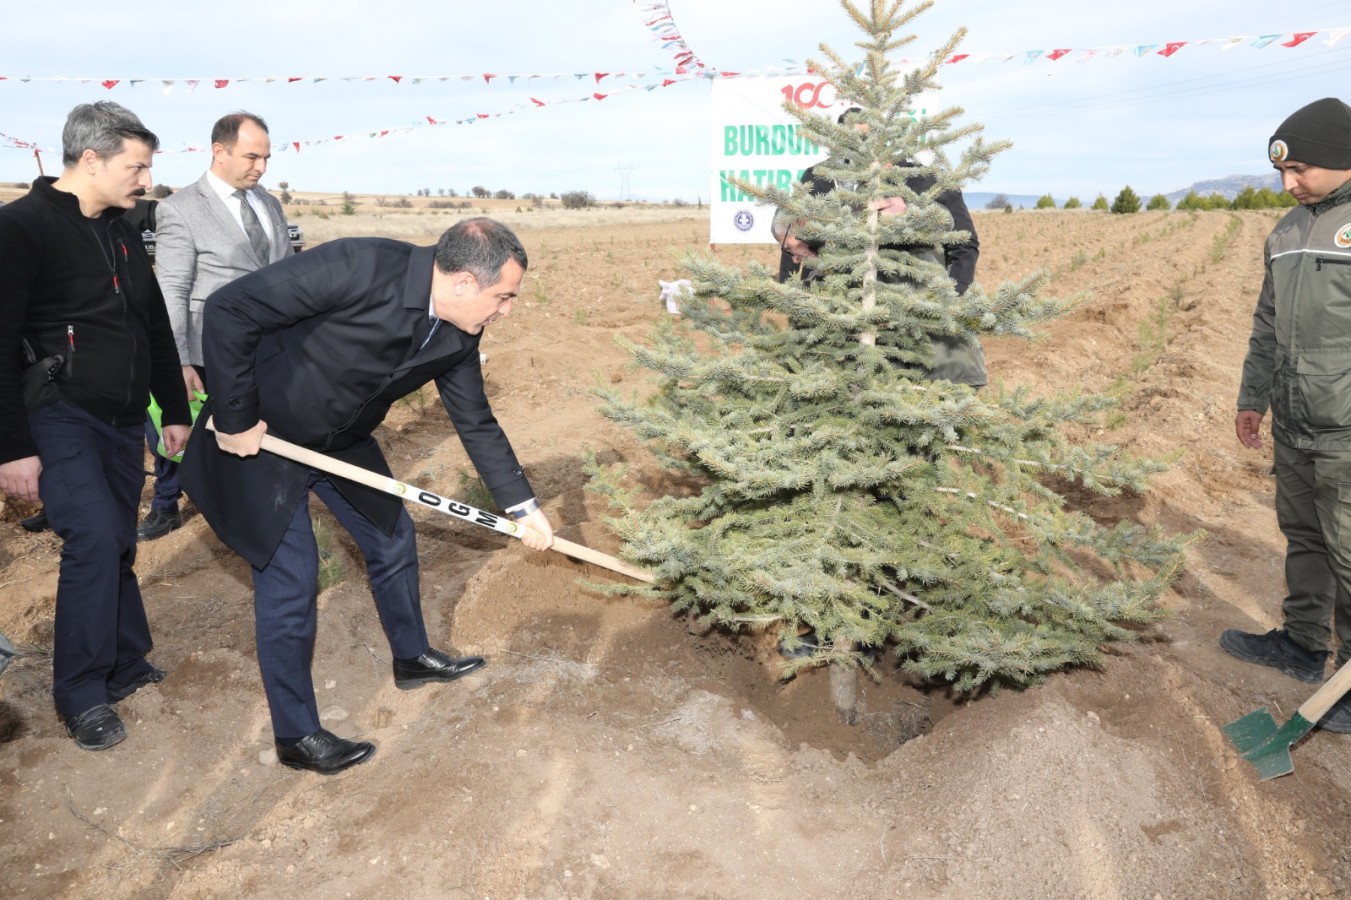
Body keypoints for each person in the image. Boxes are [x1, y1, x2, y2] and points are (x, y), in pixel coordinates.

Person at [179, 216, 555, 775]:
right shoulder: (358, 265)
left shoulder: (458, 332)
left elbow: (475, 420)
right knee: (291, 581)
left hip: (340, 441)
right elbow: (231, 307)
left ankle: (413, 657)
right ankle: (297, 735)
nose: (506, 311)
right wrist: (236, 416)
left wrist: (525, 509)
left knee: (393, 539)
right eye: (502, 297)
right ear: (463, 284)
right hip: (260, 437)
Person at [0, 101, 191, 750]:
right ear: (90, 159)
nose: (145, 181)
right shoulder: (19, 229)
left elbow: (152, 323)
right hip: (57, 414)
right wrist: (13, 448)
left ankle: (126, 664)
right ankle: (81, 695)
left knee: (118, 544)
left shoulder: (121, 228)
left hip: (122, 416)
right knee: (96, 537)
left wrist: (174, 410)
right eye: (136, 167)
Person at [1222, 97, 1351, 732]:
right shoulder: (1285, 232)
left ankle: (1349, 685)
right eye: (1282, 171)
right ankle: (1303, 646)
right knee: (1304, 537)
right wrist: (1253, 399)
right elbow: (1266, 324)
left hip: (1349, 428)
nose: (1288, 183)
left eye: (1300, 168)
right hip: (1296, 423)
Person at [139, 111, 293, 541]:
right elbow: (172, 288)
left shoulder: (269, 204)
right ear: (219, 151)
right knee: (179, 432)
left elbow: (284, 277)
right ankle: (167, 504)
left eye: (265, 157)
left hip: (267, 349)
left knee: (251, 432)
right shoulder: (181, 209)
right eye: (251, 157)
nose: (260, 167)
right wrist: (178, 361)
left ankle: (255, 504)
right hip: (206, 352)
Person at [773, 107, 985, 388]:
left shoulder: (925, 179)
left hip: (926, 332)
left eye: (868, 137)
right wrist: (797, 299)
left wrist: (950, 302)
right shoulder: (821, 178)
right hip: (848, 329)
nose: (861, 147)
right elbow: (793, 233)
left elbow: (964, 244)